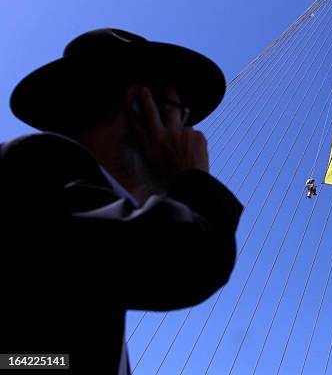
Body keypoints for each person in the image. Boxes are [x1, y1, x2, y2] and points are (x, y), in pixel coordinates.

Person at [0, 28, 243, 374]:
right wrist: (193, 180)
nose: (190, 134)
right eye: (180, 113)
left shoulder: (81, 229)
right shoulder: (33, 166)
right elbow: (186, 260)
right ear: (142, 109)